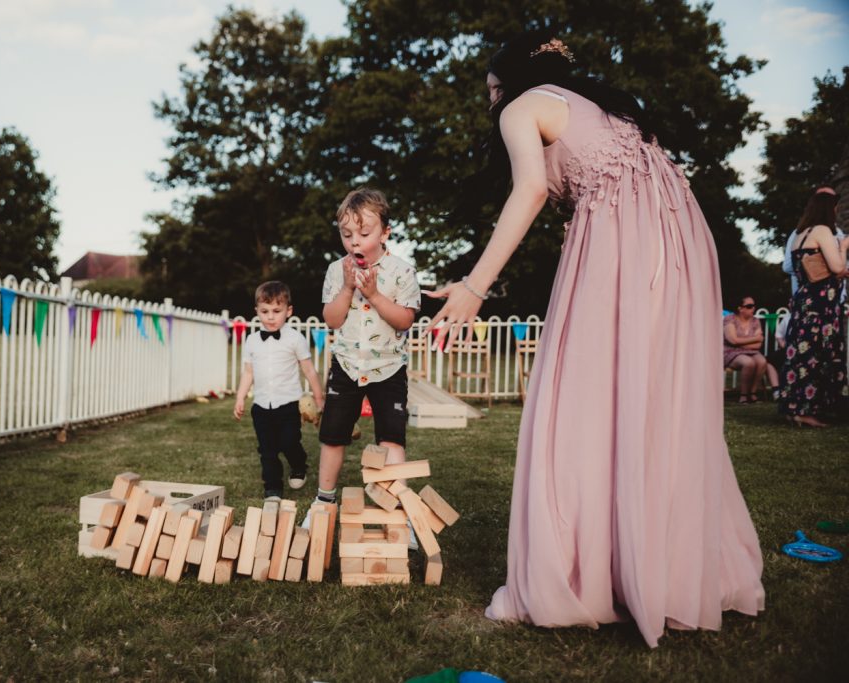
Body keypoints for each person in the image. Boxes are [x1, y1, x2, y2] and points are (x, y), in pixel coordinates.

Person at [425, 33, 764, 647]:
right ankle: (666, 567)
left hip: (622, 247)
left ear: (511, 83)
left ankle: (583, 575)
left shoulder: (522, 108)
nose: (492, 103)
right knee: (654, 405)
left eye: (492, 90)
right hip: (679, 247)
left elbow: (528, 190)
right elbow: (657, 182)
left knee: (575, 397)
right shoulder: (608, 109)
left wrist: (475, 286)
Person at [313, 188, 421, 507]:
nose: (354, 242)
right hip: (346, 366)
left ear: (386, 232)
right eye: (346, 234)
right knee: (332, 435)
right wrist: (348, 288)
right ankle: (324, 499)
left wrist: (374, 295)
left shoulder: (402, 271)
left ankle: (396, 505)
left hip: (389, 369)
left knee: (391, 437)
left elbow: (404, 320)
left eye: (363, 232)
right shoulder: (337, 271)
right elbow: (331, 318)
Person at [234, 281, 325, 500]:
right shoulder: (252, 340)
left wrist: (319, 397)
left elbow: (309, 371)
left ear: (288, 311)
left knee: (289, 442)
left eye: (277, 311)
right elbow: (248, 372)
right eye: (265, 312)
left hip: (289, 404)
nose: (271, 317)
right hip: (262, 405)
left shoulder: (296, 339)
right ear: (257, 311)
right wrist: (240, 398)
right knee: (267, 450)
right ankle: (272, 487)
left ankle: (298, 464)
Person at [776, 187, 849, 428]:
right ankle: (808, 411)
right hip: (821, 305)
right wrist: (844, 246)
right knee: (820, 354)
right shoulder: (822, 231)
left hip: (804, 300)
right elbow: (838, 267)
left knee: (800, 353)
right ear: (829, 209)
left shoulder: (799, 234)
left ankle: (795, 408)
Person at [723, 297, 767, 403]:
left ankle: (752, 393)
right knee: (748, 362)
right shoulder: (730, 319)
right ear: (740, 308)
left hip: (751, 351)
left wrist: (739, 342)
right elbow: (732, 340)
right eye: (749, 306)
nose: (753, 308)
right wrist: (754, 339)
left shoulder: (755, 321)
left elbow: (758, 345)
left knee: (762, 361)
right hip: (730, 351)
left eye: (753, 305)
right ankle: (743, 395)